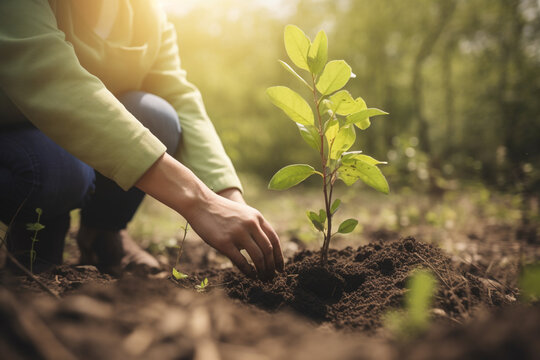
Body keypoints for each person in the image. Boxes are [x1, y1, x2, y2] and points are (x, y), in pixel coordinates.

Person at [0, 0, 284, 280]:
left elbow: (178, 98)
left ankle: (103, 234)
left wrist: (227, 197)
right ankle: (35, 251)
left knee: (157, 116)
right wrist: (199, 201)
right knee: (57, 168)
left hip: (69, 140)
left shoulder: (145, 12)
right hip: (13, 135)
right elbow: (54, 84)